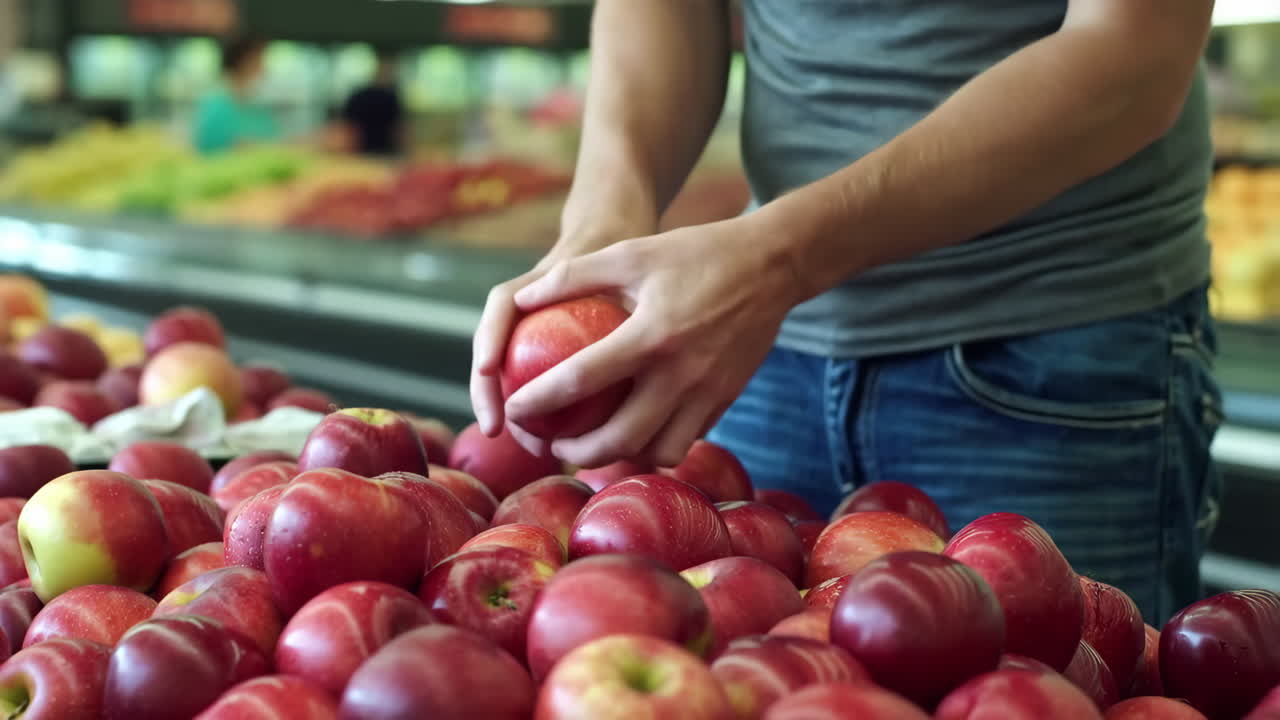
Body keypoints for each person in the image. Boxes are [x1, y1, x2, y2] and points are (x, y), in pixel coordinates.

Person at [471, 0, 1221, 624]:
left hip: (1050, 351)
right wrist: (601, 231)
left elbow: (1136, 51)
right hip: (755, 349)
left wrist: (779, 260)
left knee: (1060, 687)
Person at [192, 36, 279, 154]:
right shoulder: (216, 106)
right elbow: (210, 152)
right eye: (259, 60)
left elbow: (274, 141)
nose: (264, 69)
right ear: (243, 61)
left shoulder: (255, 105)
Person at [335, 52, 405, 157]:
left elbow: (398, 128)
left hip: (377, 151)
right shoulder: (389, 96)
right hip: (375, 151)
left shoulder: (389, 96)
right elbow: (349, 126)